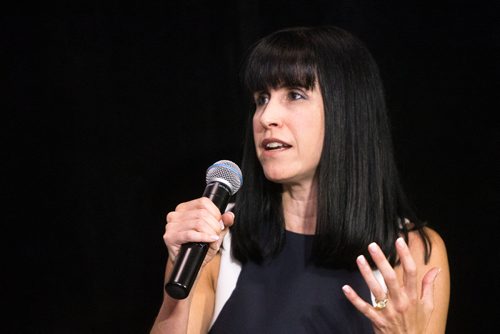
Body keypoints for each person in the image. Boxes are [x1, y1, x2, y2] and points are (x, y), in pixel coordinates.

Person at [151, 26, 450, 333]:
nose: (266, 117)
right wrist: (177, 275)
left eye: (294, 95)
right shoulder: (217, 237)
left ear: (346, 112)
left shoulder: (412, 251)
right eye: (262, 98)